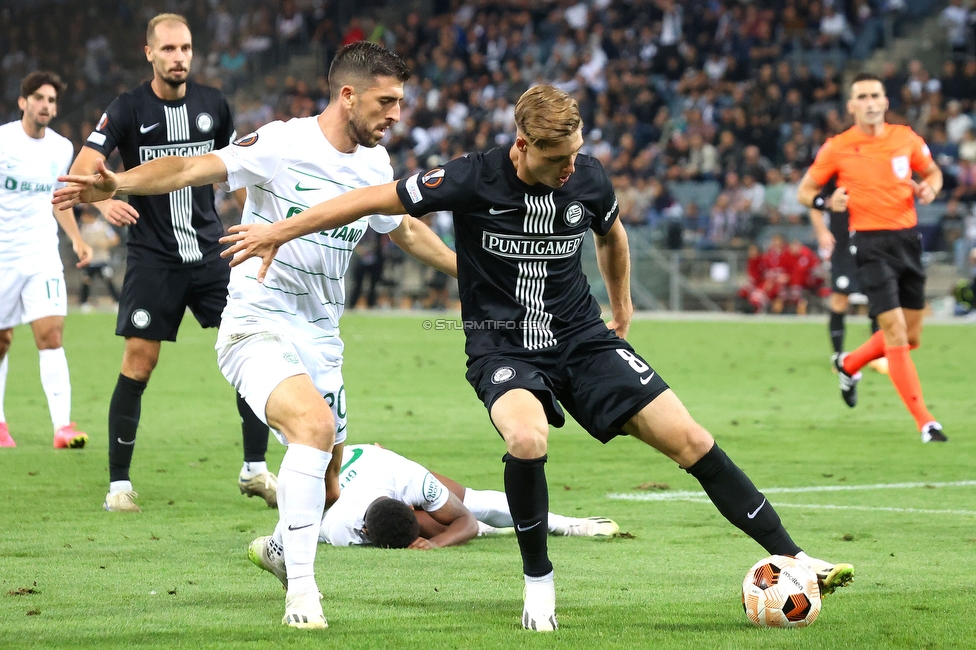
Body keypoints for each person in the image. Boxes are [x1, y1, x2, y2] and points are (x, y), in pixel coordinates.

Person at [212, 85, 854, 632]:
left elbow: (613, 235)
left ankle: (798, 561)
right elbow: (368, 201)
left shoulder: (589, 178)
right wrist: (277, 228)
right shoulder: (469, 176)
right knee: (526, 438)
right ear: (523, 146)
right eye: (558, 158)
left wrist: (622, 311)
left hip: (581, 338)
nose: (571, 169)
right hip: (501, 342)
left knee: (690, 438)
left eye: (576, 155)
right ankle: (538, 582)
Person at [55, 41, 457, 630]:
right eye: (387, 101)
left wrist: (466, 275)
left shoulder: (374, 165)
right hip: (255, 322)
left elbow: (404, 230)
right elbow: (192, 167)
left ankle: (277, 548)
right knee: (313, 428)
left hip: (322, 336)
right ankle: (302, 594)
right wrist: (118, 185)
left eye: (400, 101)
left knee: (329, 481)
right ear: (348, 96)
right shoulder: (282, 142)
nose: (397, 114)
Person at [64, 14, 275, 512]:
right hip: (152, 258)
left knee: (254, 349)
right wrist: (100, 200)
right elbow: (81, 169)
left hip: (211, 253)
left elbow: (238, 170)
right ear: (149, 53)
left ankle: (256, 470)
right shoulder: (127, 108)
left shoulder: (214, 105)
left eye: (186, 48)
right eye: (169, 49)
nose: (179, 57)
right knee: (140, 361)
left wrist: (261, 222)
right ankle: (119, 486)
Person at [798, 72, 947, 443]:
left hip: (908, 243)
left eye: (874, 95)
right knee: (894, 331)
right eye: (861, 96)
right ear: (851, 106)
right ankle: (926, 422)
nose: (869, 102)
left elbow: (932, 172)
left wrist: (930, 188)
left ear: (885, 101)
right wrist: (824, 202)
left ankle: (848, 364)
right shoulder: (838, 146)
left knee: (911, 337)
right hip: (868, 245)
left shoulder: (906, 138)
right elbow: (805, 190)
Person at [248, 443, 619, 581]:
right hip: (326, 483)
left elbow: (466, 519)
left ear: (410, 502)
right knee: (434, 525)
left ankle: (567, 525)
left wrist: (439, 544)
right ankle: (501, 531)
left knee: (472, 501)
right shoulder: (335, 525)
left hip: (377, 461)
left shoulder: (406, 477)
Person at [0, 71, 93, 449]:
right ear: (23, 102)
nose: (46, 106)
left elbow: (60, 200)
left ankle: (62, 427)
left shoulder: (61, 148)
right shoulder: (3, 141)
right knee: (2, 340)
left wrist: (76, 239)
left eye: (52, 101)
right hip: (3, 254)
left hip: (41, 253)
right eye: (39, 98)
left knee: (51, 335)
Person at [809, 197, 888, 374]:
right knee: (839, 300)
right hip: (843, 249)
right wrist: (822, 231)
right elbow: (813, 204)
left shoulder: (874, 176)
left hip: (871, 246)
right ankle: (838, 355)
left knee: (877, 300)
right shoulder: (835, 176)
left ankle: (878, 356)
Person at [77, 205, 121, 312]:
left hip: (102, 259)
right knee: (86, 281)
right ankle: (84, 303)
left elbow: (115, 239)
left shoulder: (103, 227)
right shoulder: (84, 228)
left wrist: (105, 243)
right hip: (89, 260)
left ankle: (117, 301)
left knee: (108, 280)